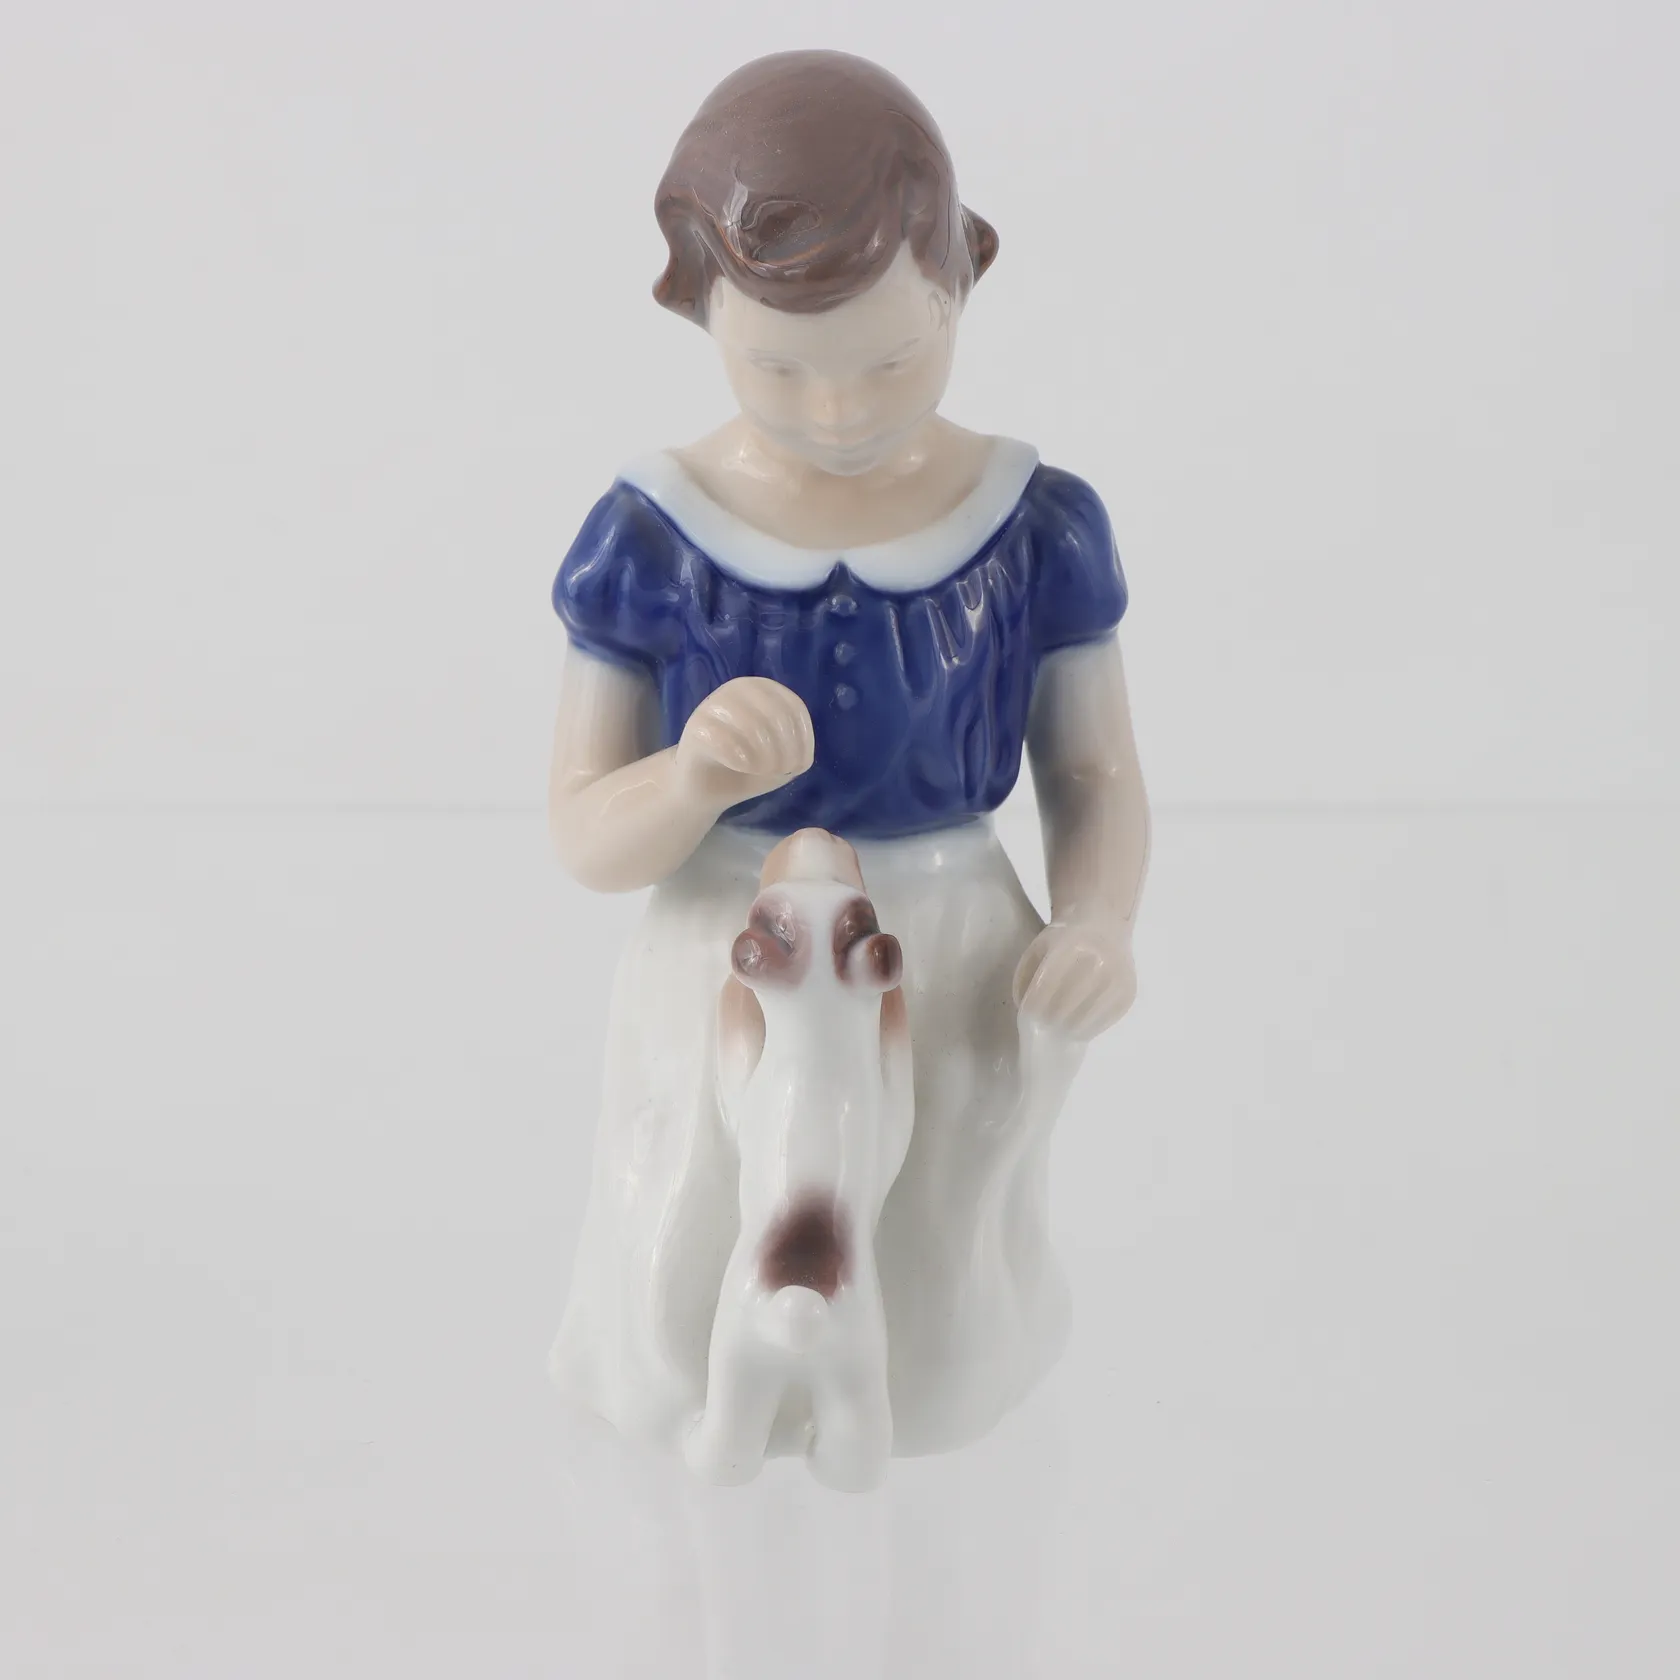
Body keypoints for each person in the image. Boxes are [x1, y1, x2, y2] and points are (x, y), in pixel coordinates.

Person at [546, 50, 1149, 1456]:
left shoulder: (1035, 527)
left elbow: (1095, 776)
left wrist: (1098, 921)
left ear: (961, 280)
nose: (841, 412)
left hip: (947, 955)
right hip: (726, 958)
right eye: (779, 368)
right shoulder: (649, 538)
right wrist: (690, 780)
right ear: (701, 309)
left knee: (939, 1262)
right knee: (695, 1249)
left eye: (891, 358)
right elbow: (583, 832)